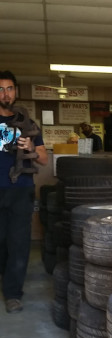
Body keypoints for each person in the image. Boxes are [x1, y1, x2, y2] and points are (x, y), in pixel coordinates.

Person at [0, 70, 48, 313]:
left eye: (9, 88)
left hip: (21, 190)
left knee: (18, 243)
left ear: (16, 92)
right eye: (0, 89)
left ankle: (13, 293)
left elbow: (44, 159)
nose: (5, 94)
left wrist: (31, 147)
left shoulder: (28, 124)